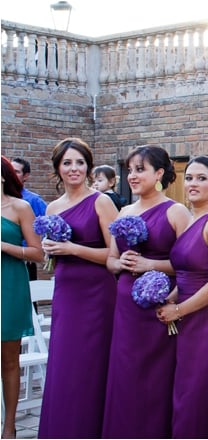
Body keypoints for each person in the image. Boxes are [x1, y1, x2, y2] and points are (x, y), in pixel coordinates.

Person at [102, 144, 190, 439]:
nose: (133, 176)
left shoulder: (176, 212)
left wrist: (151, 264)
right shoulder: (125, 210)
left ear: (160, 173)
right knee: (126, 375)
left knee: (155, 379)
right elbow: (111, 261)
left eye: (141, 170)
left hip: (159, 308)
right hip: (126, 308)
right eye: (130, 170)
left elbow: (192, 265)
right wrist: (120, 262)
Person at [37, 138, 119, 438]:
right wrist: (51, 251)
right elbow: (55, 255)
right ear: (58, 168)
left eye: (80, 162)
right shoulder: (53, 206)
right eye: (67, 163)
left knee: (91, 365)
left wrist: (73, 248)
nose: (74, 168)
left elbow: (116, 255)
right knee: (65, 365)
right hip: (66, 294)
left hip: (96, 295)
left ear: (89, 167)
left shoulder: (101, 201)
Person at [157, 156, 208, 438]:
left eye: (201, 178)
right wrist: (171, 296)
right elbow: (189, 271)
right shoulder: (192, 219)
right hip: (189, 318)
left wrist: (178, 310)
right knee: (188, 393)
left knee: (206, 393)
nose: (193, 183)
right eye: (190, 177)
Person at [1, 156, 44, 439]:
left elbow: (38, 253)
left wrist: (3, 245)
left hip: (9, 287)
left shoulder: (20, 207)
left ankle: (9, 426)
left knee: (9, 360)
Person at [11, 158, 47, 280]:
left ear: (25, 176)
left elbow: (48, 227)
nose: (11, 174)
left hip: (24, 261)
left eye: (16, 172)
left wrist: (32, 250)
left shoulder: (34, 200)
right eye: (10, 170)